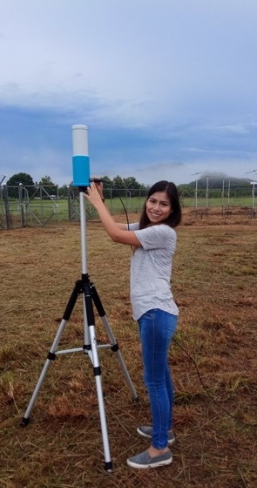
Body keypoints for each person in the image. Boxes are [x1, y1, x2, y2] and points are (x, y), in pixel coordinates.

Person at [84, 179, 182, 469]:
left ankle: (159, 450)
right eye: (153, 200)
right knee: (161, 376)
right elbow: (114, 227)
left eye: (164, 204)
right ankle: (165, 430)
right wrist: (101, 199)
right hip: (154, 313)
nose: (156, 207)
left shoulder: (162, 232)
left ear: (172, 209)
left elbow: (115, 235)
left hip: (156, 312)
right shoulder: (147, 230)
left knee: (153, 380)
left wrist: (96, 202)